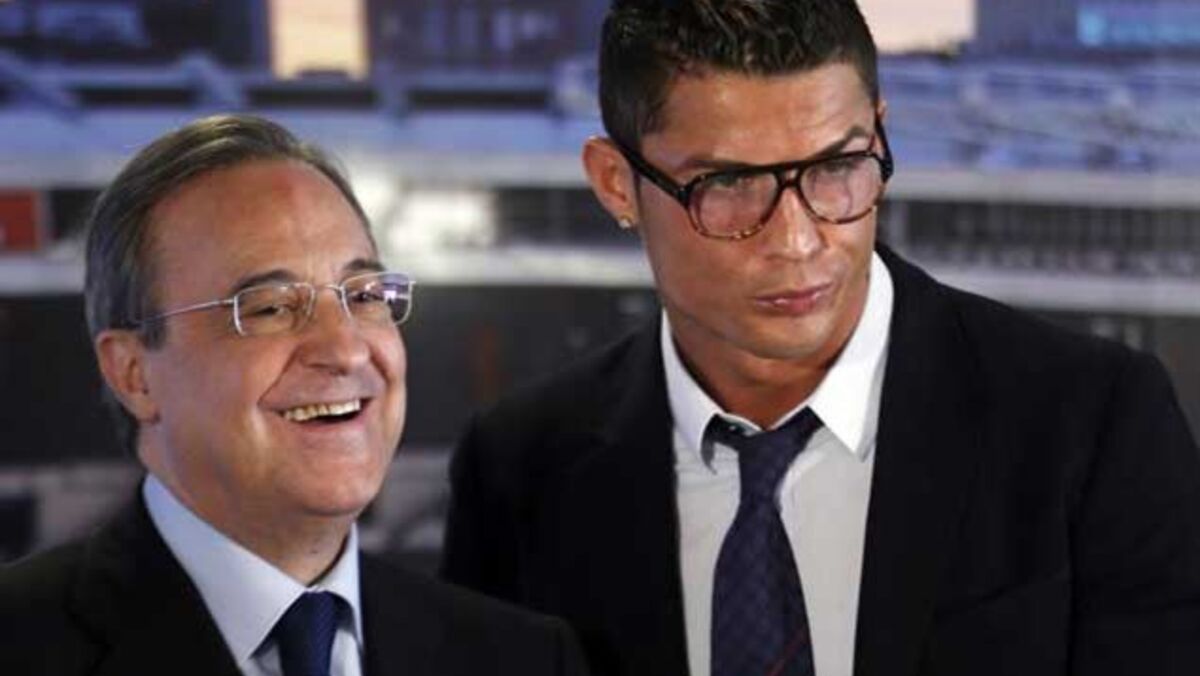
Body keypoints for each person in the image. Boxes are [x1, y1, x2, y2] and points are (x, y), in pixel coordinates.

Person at [440, 2, 1200, 675]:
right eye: (728, 184)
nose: (799, 241)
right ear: (616, 184)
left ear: (881, 135)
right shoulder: (518, 470)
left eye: (837, 167)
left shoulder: (1092, 424)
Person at [0, 114, 587, 676]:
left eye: (364, 296)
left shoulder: (526, 659)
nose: (347, 349)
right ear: (134, 374)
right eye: (270, 308)